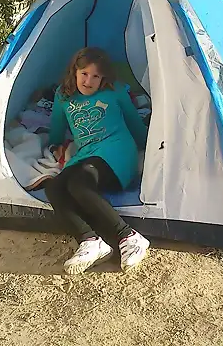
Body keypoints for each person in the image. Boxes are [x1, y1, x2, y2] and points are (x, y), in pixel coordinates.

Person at [44, 47, 150, 275]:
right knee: (54, 187)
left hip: (116, 151)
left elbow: (134, 123)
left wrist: (149, 149)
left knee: (79, 184)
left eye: (96, 76)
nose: (89, 81)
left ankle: (129, 237)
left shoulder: (116, 91)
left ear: (104, 79)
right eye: (84, 74)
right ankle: (90, 241)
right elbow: (57, 129)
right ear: (74, 72)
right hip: (87, 153)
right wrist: (55, 146)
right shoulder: (63, 95)